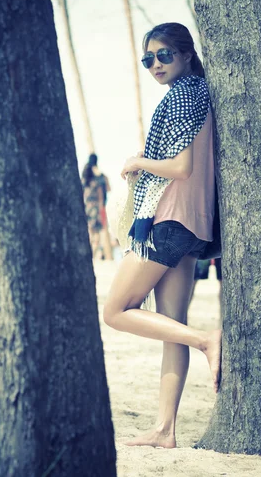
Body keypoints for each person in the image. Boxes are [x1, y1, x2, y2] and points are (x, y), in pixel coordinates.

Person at [103, 23, 221, 448]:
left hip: (168, 220)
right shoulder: (202, 93)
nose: (155, 64)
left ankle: (208, 340)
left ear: (186, 54)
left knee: (115, 311)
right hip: (195, 224)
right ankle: (165, 430)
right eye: (148, 59)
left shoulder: (185, 93)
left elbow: (181, 167)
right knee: (171, 326)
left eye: (164, 54)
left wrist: (139, 161)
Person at [82, 154, 105, 258]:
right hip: (95, 208)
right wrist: (101, 212)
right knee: (96, 236)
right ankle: (92, 257)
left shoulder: (85, 175)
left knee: (91, 234)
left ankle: (89, 256)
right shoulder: (98, 176)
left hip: (87, 208)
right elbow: (101, 196)